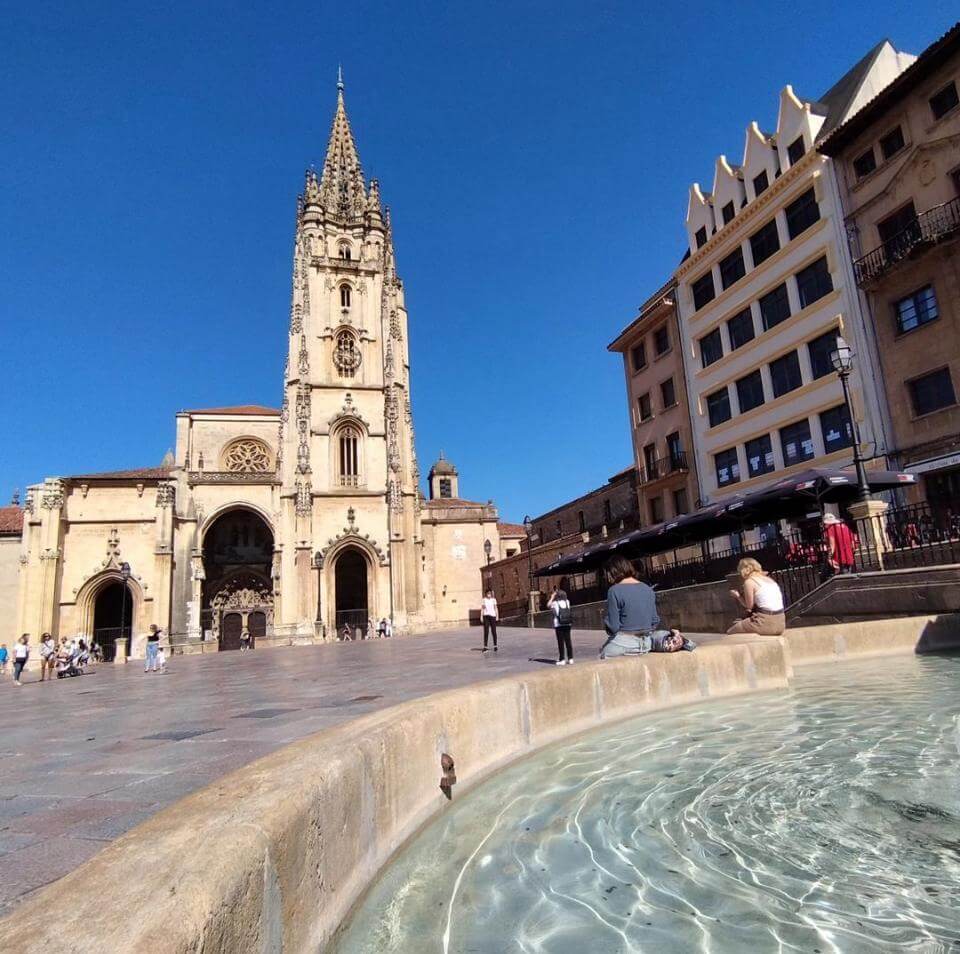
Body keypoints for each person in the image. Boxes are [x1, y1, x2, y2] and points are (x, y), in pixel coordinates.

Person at [598, 557, 695, 658]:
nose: (607, 578)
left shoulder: (614, 591)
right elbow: (655, 621)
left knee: (603, 654)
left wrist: (607, 619)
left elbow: (613, 628)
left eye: (607, 574)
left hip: (624, 644)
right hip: (646, 644)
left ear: (614, 571)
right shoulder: (647, 589)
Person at [727, 558, 786, 636]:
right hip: (781, 623)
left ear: (743, 570)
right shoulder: (769, 580)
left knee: (731, 631)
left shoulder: (750, 582)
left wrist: (738, 596)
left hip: (764, 622)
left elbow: (749, 606)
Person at [547, 578, 575, 666]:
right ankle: (570, 659)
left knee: (560, 642)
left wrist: (552, 597)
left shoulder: (555, 604)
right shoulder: (567, 602)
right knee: (568, 641)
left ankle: (562, 659)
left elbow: (548, 605)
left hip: (559, 624)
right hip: (568, 623)